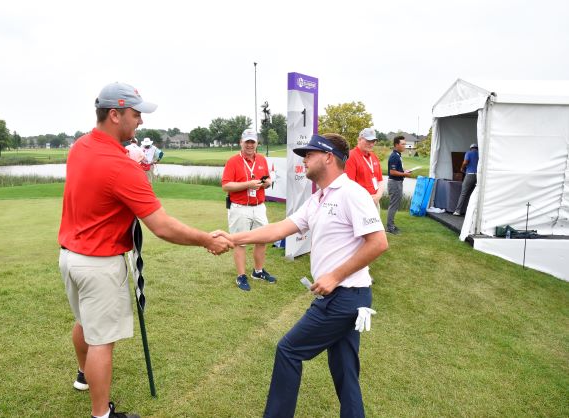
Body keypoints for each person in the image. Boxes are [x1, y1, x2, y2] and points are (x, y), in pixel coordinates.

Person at [58, 81, 232, 418]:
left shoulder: (80, 146)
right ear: (114, 114)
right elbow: (162, 225)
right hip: (100, 264)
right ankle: (101, 414)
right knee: (101, 340)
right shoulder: (122, 166)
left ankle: (83, 376)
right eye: (135, 114)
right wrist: (206, 240)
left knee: (83, 322)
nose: (140, 121)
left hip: (69, 257)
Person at [216, 133, 388, 417]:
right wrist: (233, 238)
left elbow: (379, 242)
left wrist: (334, 275)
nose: (304, 160)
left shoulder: (352, 194)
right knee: (345, 371)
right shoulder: (318, 198)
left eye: (309, 154)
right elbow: (278, 229)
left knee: (288, 350)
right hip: (346, 298)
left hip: (343, 297)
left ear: (329, 157)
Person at [221, 128, 276, 291]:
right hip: (239, 207)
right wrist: (248, 185)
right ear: (241, 143)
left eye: (253, 142)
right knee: (240, 242)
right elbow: (226, 185)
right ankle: (241, 276)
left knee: (263, 239)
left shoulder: (261, 159)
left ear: (257, 143)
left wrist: (267, 182)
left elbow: (266, 178)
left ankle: (258, 272)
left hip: (259, 206)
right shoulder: (233, 161)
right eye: (247, 142)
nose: (250, 145)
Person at [345, 127, 384, 208]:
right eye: (368, 141)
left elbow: (380, 180)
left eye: (373, 141)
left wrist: (378, 196)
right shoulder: (351, 156)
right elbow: (349, 185)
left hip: (375, 201)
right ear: (359, 140)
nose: (371, 144)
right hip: (360, 203)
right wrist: (367, 199)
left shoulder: (374, 156)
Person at [386, 135, 412, 234]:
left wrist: (404, 171)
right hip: (394, 183)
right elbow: (392, 172)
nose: (404, 146)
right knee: (393, 205)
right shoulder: (394, 156)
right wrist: (404, 174)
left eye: (405, 144)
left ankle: (391, 225)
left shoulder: (398, 155)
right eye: (403, 144)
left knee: (395, 205)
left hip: (397, 182)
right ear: (396, 145)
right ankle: (389, 227)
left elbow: (397, 170)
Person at [453, 143, 479, 216]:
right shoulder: (480, 154)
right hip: (478, 176)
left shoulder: (469, 153)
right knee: (473, 194)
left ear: (471, 148)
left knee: (463, 193)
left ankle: (457, 211)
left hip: (470, 175)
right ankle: (470, 212)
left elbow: (465, 162)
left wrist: (462, 168)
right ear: (477, 148)